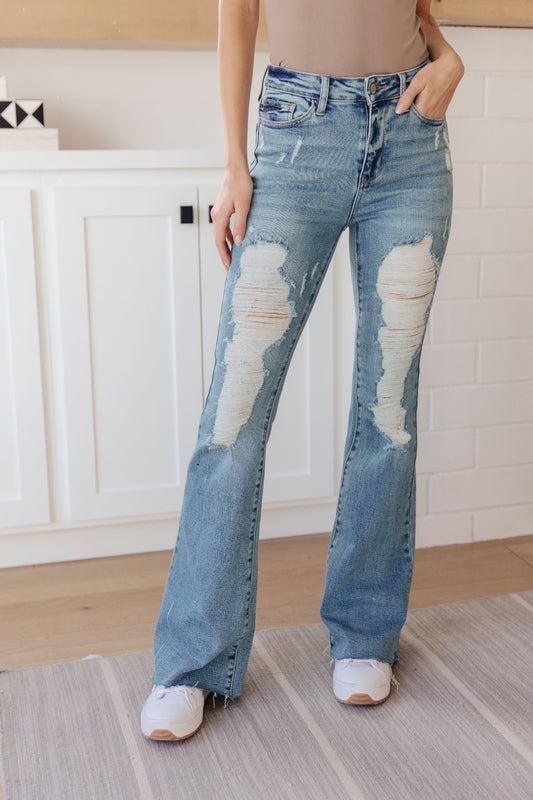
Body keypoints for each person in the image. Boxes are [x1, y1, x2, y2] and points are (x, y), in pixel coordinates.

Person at [141, 0, 464, 742]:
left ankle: (364, 635)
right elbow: (237, 17)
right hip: (296, 135)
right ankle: (192, 663)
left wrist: (449, 58)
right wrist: (235, 165)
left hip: (412, 140)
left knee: (388, 411)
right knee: (233, 417)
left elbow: (418, 12)